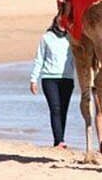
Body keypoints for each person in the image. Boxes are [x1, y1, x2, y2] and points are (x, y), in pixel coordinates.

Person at [29, 16, 75, 148]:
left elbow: (79, 58)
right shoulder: (46, 38)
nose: (62, 23)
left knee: (63, 110)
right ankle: (59, 140)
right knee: (55, 108)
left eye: (64, 21)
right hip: (49, 78)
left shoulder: (72, 38)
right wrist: (33, 79)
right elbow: (39, 59)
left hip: (67, 78)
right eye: (59, 20)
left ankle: (59, 139)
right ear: (55, 22)